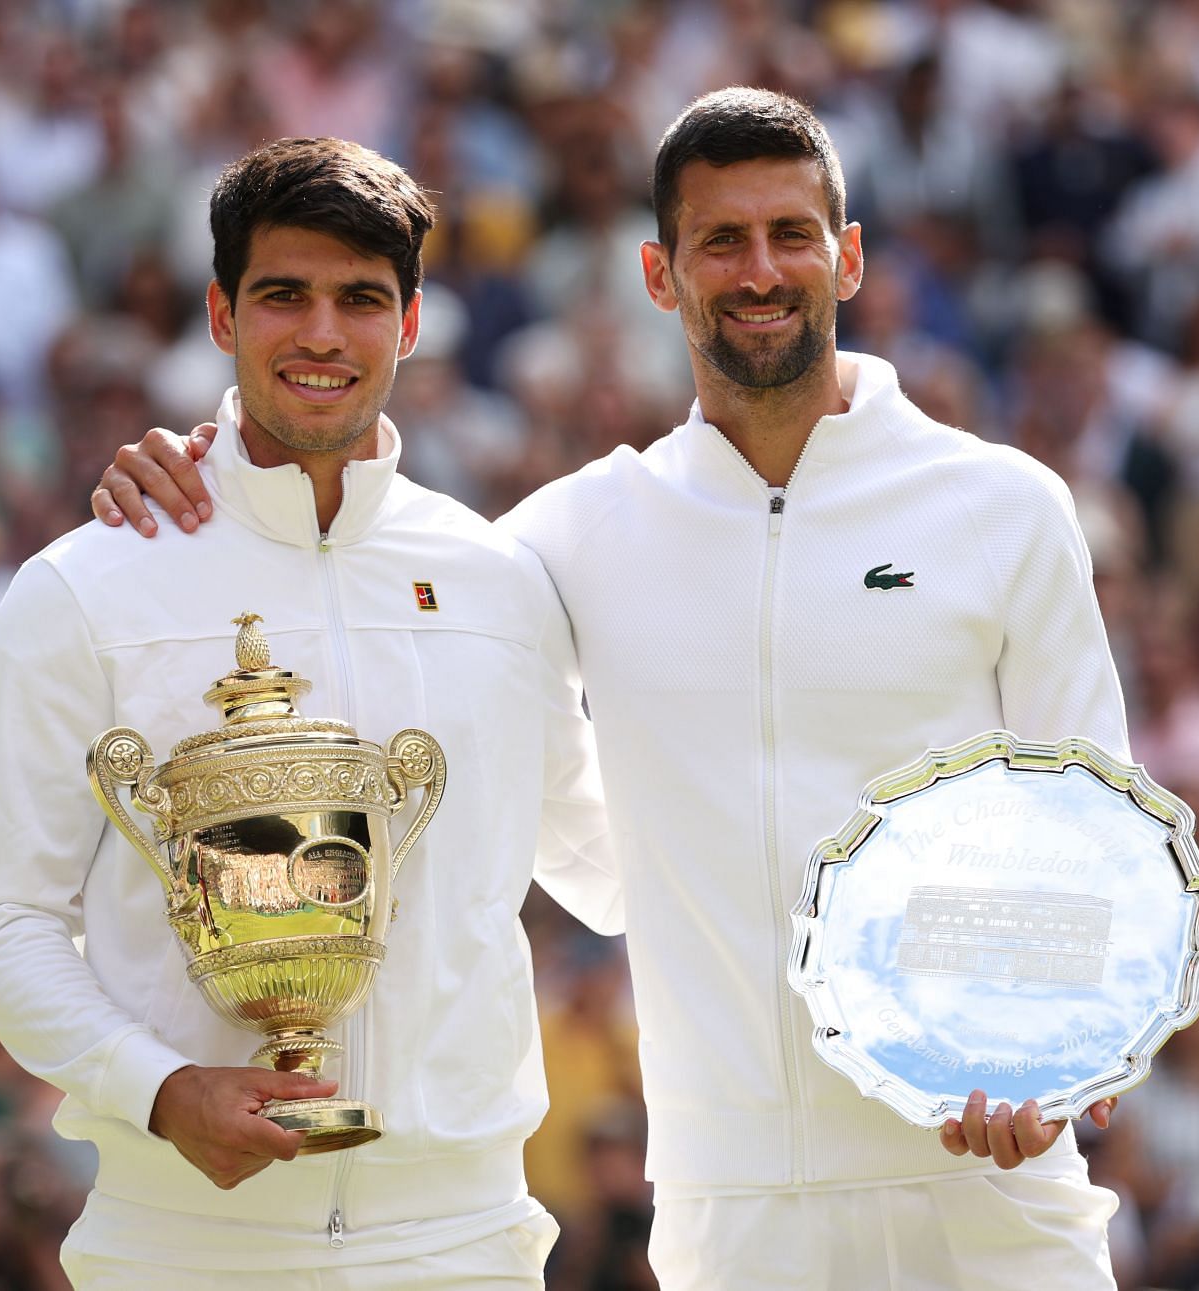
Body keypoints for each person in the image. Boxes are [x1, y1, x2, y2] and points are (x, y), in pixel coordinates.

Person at [96, 90, 1131, 1288]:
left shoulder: (1003, 506)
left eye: (792, 233)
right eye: (721, 241)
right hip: (731, 1209)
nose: (760, 270)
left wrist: (1057, 1056)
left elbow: (1094, 826)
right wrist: (210, 481)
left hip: (991, 1187)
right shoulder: (568, 535)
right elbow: (357, 570)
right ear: (659, 272)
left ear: (847, 256)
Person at [0, 136, 618, 1288]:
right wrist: (155, 1087)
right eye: (283, 296)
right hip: (183, 1240)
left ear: (410, 324)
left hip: (462, 1240)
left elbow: (611, 867)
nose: (321, 335)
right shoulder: (86, 585)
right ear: (220, 313)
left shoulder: (499, 582)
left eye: (361, 299)